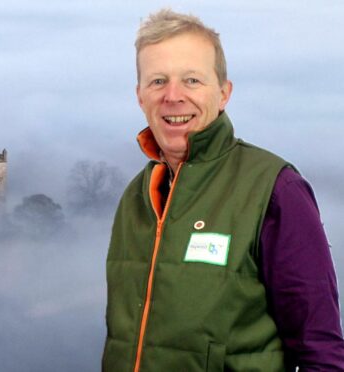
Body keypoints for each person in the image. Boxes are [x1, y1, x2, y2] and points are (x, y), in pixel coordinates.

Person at [102, 9, 344, 371]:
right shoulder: (136, 198)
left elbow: (321, 350)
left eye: (192, 80)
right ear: (140, 96)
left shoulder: (274, 189)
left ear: (224, 93)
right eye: (157, 81)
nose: (173, 96)